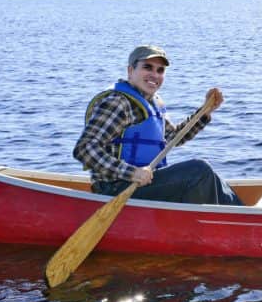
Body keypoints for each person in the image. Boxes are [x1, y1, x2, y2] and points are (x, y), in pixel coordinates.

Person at [73, 45, 243, 206]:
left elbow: (173, 138)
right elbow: (85, 149)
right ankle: (240, 221)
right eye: (148, 67)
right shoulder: (118, 103)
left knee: (209, 175)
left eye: (160, 70)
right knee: (199, 171)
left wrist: (205, 112)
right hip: (115, 188)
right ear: (130, 71)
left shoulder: (152, 103)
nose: (155, 74)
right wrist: (132, 173)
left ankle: (242, 214)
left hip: (144, 185)